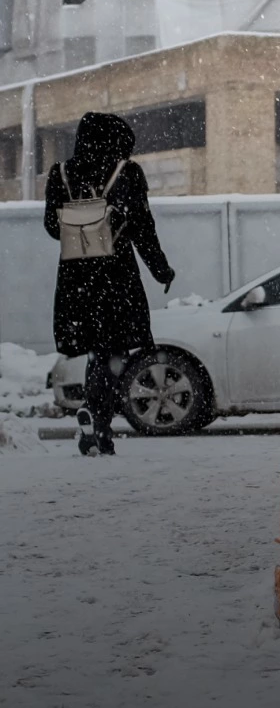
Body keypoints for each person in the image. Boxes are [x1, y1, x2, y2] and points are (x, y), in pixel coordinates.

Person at [43, 113, 175, 456]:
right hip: (116, 276)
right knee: (112, 353)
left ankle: (96, 423)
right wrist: (161, 270)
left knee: (97, 353)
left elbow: (52, 228)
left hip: (76, 277)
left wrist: (81, 221)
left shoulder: (60, 173)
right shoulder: (127, 172)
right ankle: (99, 420)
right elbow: (144, 229)